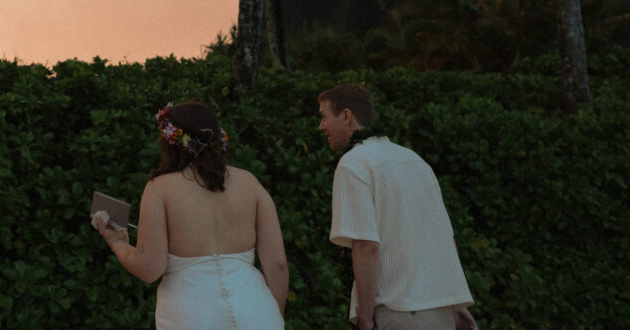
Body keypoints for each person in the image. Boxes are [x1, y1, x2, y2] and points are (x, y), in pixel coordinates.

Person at [91, 101, 287, 329]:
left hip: (191, 315)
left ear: (168, 140)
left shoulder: (160, 188)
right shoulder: (250, 182)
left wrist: (116, 242)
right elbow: (278, 263)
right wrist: (274, 314)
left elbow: (149, 268)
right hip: (257, 311)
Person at [317, 84, 479, 330]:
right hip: (440, 311)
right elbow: (443, 237)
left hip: (400, 312)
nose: (321, 126)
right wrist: (456, 305)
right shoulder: (414, 160)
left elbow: (366, 245)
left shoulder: (353, 164)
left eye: (324, 116)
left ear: (347, 116)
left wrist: (366, 318)